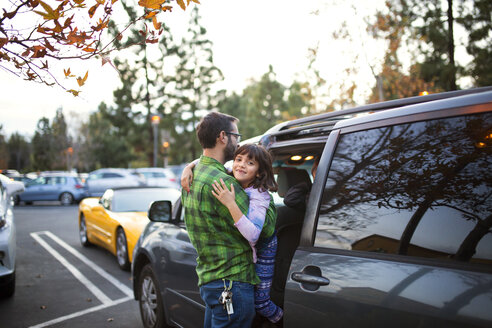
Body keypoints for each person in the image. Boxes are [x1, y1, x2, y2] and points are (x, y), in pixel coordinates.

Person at [183, 144, 283, 325]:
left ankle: (283, 320)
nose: (241, 165)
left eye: (250, 163)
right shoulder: (232, 172)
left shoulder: (260, 196)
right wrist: (188, 167)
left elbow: (253, 235)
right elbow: (205, 162)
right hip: (231, 270)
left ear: (259, 173)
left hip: (265, 247)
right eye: (239, 159)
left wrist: (231, 204)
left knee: (261, 302)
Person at [182, 112, 258, 328]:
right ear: (223, 137)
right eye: (237, 135)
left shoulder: (192, 176)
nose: (239, 142)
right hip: (233, 282)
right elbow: (265, 229)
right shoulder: (223, 183)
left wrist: (191, 164)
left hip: (211, 281)